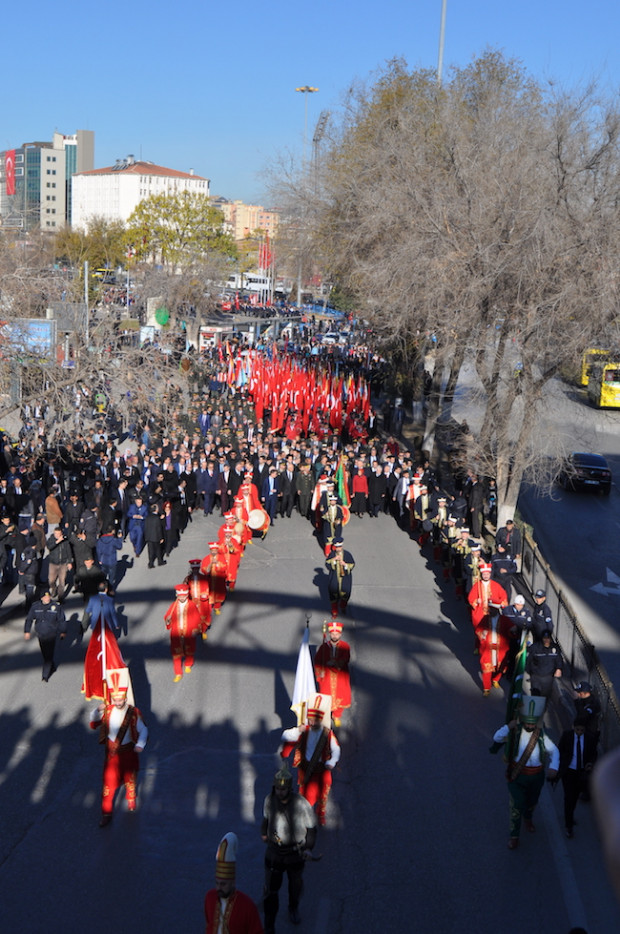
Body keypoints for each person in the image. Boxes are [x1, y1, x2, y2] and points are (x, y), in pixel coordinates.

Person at [492, 697, 559, 849]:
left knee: (532, 802)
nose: (530, 725)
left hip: (536, 777)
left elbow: (554, 751)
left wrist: (554, 767)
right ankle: (514, 834)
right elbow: (496, 738)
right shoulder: (514, 733)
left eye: (532, 722)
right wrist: (508, 727)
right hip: (518, 775)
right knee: (516, 804)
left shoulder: (541, 735)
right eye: (527, 722)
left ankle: (528, 818)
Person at [261, 765, 317, 933]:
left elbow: (312, 828)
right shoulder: (269, 800)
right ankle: (269, 925)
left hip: (294, 853)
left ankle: (293, 907)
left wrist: (308, 848)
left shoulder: (301, 804)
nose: (280, 792)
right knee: (271, 891)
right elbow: (266, 819)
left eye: (283, 789)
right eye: (278, 788)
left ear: (289, 788)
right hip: (275, 852)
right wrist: (264, 833)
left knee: (295, 885)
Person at [90, 673, 147, 827]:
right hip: (112, 755)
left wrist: (140, 744)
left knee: (130, 778)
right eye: (115, 700)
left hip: (128, 752)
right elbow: (94, 721)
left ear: (124, 698)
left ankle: (131, 798)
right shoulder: (107, 711)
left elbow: (143, 730)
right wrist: (98, 709)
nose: (117, 702)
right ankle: (106, 813)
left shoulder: (133, 713)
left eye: (120, 699)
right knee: (108, 785)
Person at [281, 694, 341, 825]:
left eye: (314, 720)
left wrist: (331, 762)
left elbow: (336, 749)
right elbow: (285, 736)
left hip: (321, 768)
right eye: (310, 719)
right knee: (304, 793)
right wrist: (298, 731)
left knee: (323, 793)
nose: (312, 722)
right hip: (306, 766)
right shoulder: (303, 730)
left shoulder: (327, 733)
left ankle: (321, 813)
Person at [204, 831, 263, 934]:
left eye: (223, 884)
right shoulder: (210, 897)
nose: (218, 888)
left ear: (233, 882)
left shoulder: (247, 906)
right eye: (217, 883)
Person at [558, 716, 598, 838]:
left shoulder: (590, 739)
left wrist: (590, 763)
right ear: (573, 728)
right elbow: (560, 750)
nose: (579, 732)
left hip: (581, 773)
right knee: (568, 797)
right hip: (568, 772)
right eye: (577, 730)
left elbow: (593, 754)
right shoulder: (567, 736)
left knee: (575, 797)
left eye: (581, 730)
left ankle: (569, 815)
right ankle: (568, 825)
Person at [24, 589, 66, 681]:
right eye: (45, 597)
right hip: (40, 634)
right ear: (41, 598)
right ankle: (52, 665)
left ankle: (45, 675)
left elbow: (61, 620)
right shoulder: (35, 606)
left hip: (51, 633)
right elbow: (29, 619)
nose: (47, 598)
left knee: (49, 654)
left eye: (48, 596)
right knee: (45, 653)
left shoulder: (56, 607)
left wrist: (63, 631)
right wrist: (27, 631)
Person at [314, 620, 351, 727]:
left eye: (337, 634)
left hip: (340, 676)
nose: (335, 636)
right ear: (330, 634)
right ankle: (325, 716)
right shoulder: (323, 647)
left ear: (340, 634)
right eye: (333, 634)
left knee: (341, 697)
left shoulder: (345, 646)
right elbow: (317, 661)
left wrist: (334, 663)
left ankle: (336, 715)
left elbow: (345, 658)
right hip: (327, 677)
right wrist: (319, 672)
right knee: (326, 696)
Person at [164, 583, 202, 682]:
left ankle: (188, 664)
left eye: (184, 596)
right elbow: (167, 616)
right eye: (180, 596)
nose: (182, 598)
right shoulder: (173, 605)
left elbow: (197, 618)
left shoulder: (192, 605)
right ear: (177, 596)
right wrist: (167, 620)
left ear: (187, 595)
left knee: (189, 649)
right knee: (176, 652)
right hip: (176, 632)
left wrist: (195, 629)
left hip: (188, 631)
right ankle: (178, 672)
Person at [526, 630, 563, 698]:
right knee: (535, 696)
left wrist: (559, 668)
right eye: (544, 638)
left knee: (545, 696)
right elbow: (528, 660)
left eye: (548, 638)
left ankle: (544, 708)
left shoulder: (555, 648)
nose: (546, 640)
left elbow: (559, 660)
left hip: (548, 677)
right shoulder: (535, 648)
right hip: (536, 676)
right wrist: (530, 672)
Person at [325, 539, 355, 618]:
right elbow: (327, 563)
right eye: (337, 547)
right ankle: (334, 612)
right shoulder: (332, 554)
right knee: (333, 595)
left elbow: (352, 564)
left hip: (345, 578)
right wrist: (334, 560)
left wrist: (345, 564)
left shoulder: (347, 554)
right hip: (335, 578)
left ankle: (343, 606)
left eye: (340, 547)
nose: (338, 549)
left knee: (346, 593)